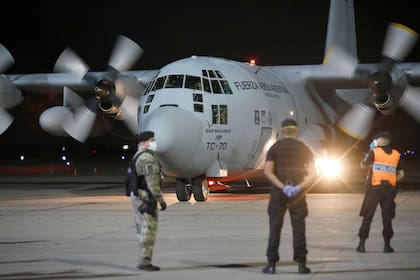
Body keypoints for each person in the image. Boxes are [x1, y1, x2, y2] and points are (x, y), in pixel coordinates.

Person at [262, 118, 317, 274]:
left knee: (275, 228)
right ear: (296, 130)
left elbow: (268, 171)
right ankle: (301, 264)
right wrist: (298, 187)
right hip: (298, 194)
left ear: (283, 130)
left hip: (279, 193)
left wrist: (283, 187)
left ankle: (271, 265)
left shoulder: (274, 148)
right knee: (299, 227)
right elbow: (314, 174)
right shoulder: (304, 149)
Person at [356, 130, 404, 253]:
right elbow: (402, 174)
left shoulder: (375, 152)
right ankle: (387, 246)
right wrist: (392, 181)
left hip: (375, 189)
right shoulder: (396, 154)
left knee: (368, 216)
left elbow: (362, 165)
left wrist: (369, 151)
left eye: (376, 139)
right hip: (389, 190)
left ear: (381, 140)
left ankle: (362, 244)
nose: (375, 141)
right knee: (387, 218)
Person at [129, 131, 167, 271]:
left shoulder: (138, 155)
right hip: (146, 198)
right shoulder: (147, 158)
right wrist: (160, 200)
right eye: (152, 140)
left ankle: (143, 259)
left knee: (141, 229)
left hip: (138, 196)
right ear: (144, 142)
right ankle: (145, 262)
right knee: (148, 230)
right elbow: (152, 182)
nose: (154, 142)